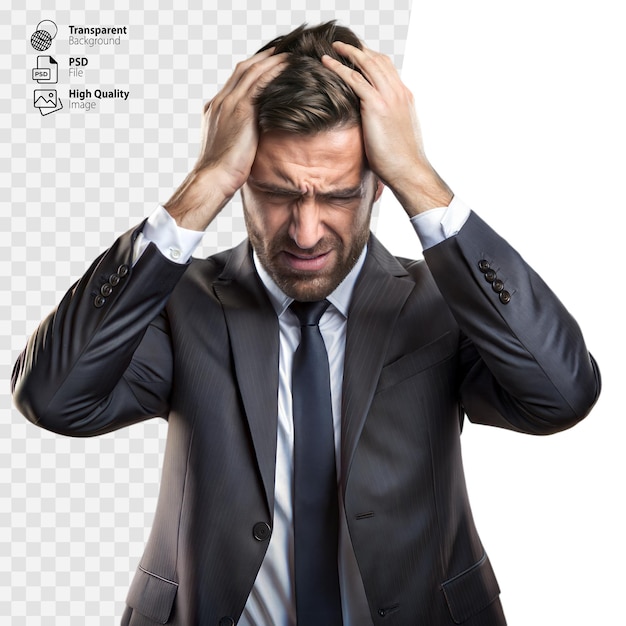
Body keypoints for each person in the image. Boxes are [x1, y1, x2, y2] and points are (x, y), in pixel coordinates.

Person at [12, 21, 600, 626]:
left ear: (378, 186)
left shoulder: (440, 303)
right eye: (275, 192)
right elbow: (54, 398)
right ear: (241, 183)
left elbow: (562, 394)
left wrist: (420, 178)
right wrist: (203, 180)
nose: (306, 231)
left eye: (339, 195)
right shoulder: (182, 303)